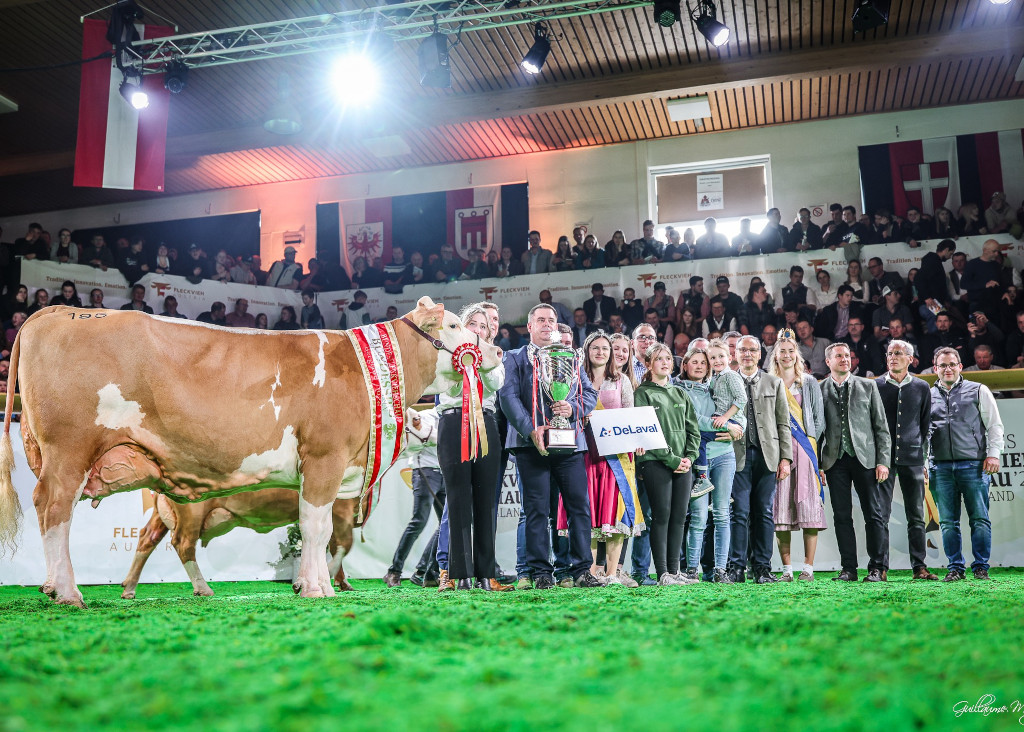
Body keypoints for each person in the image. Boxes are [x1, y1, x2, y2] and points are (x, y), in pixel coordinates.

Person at [499, 303, 601, 589]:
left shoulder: (570, 358)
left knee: (578, 507)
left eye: (551, 321)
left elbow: (589, 394)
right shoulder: (513, 358)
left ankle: (581, 570)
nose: (546, 325)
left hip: (569, 442)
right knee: (537, 510)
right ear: (529, 326)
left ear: (557, 327)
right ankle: (540, 572)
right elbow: (508, 399)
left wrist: (572, 408)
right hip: (530, 445)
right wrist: (531, 430)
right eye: (540, 320)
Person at [434, 304, 508, 591]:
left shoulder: (493, 355)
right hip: (453, 424)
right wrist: (461, 364)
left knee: (486, 501)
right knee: (457, 498)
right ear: (464, 327)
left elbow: (495, 384)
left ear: (489, 330)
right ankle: (459, 574)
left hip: (486, 425)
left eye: (483, 325)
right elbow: (446, 389)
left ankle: (486, 575)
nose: (478, 328)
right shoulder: (447, 355)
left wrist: (483, 359)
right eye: (473, 324)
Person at [558, 332, 641, 586]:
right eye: (596, 348)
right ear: (586, 351)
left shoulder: (622, 381)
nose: (601, 352)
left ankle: (614, 573)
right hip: (584, 452)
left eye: (606, 348)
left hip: (615, 456)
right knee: (589, 512)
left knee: (615, 512)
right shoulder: (575, 380)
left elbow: (630, 415)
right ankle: (591, 573)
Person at [928, 347, 1004, 581]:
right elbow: (923, 434)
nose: (947, 369)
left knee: (979, 519)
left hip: (974, 464)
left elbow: (994, 426)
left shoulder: (979, 390)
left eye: (952, 364)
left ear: (960, 367)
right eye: (943, 365)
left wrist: (993, 454)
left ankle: (981, 566)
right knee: (948, 523)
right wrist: (923, 462)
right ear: (935, 369)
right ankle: (955, 568)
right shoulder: (927, 395)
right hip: (939, 467)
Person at [818, 343, 892, 582]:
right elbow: (817, 432)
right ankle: (848, 568)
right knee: (841, 516)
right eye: (839, 356)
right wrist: (818, 464)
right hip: (834, 460)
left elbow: (881, 427)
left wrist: (883, 461)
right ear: (828, 361)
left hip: (867, 459)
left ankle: (877, 567)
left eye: (847, 356)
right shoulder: (819, 390)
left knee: (874, 514)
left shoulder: (868, 385)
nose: (845, 360)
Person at [633, 342, 699, 585]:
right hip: (655, 463)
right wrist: (672, 459)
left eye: (668, 358)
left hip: (683, 465)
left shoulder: (680, 393)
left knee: (680, 517)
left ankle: (675, 570)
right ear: (648, 364)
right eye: (659, 359)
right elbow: (647, 433)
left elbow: (694, 431)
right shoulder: (643, 393)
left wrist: (689, 458)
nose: (665, 362)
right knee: (661, 516)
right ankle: (663, 573)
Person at [729, 336, 793, 583]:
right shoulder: (726, 381)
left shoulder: (774, 382)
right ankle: (736, 568)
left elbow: (782, 423)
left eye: (752, 350)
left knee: (764, 513)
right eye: (742, 350)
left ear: (759, 354)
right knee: (740, 512)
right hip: (736, 457)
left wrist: (785, 458)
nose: (747, 354)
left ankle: (762, 569)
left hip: (769, 457)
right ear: (735, 354)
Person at [675, 347, 742, 584]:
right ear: (685, 365)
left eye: (704, 362)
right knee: (698, 517)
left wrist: (738, 427)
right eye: (695, 362)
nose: (700, 366)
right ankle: (692, 569)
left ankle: (720, 570)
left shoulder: (716, 385)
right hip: (697, 458)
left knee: (723, 514)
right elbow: (693, 420)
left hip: (724, 455)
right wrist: (726, 427)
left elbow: (738, 411)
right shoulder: (677, 389)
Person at [875, 340, 937, 581]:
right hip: (884, 460)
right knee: (881, 515)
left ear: (910, 359)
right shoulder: (876, 385)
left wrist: (924, 460)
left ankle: (919, 567)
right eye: (890, 353)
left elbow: (925, 427)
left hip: (912, 459)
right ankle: (879, 568)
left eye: (898, 353)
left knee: (916, 515)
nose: (892, 357)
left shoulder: (922, 387)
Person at [768, 329, 826, 581]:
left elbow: (819, 420)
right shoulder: (768, 381)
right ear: (775, 355)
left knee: (809, 508)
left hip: (805, 450)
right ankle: (787, 570)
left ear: (797, 354)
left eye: (791, 351)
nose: (787, 355)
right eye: (782, 351)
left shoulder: (809, 382)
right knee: (782, 510)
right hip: (780, 451)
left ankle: (808, 569)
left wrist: (813, 450)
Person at [385, 408, 446, 589]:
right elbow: (425, 439)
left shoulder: (456, 416)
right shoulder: (426, 415)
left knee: (447, 524)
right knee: (419, 521)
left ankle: (424, 572)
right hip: (425, 471)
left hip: (446, 473)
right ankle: (394, 572)